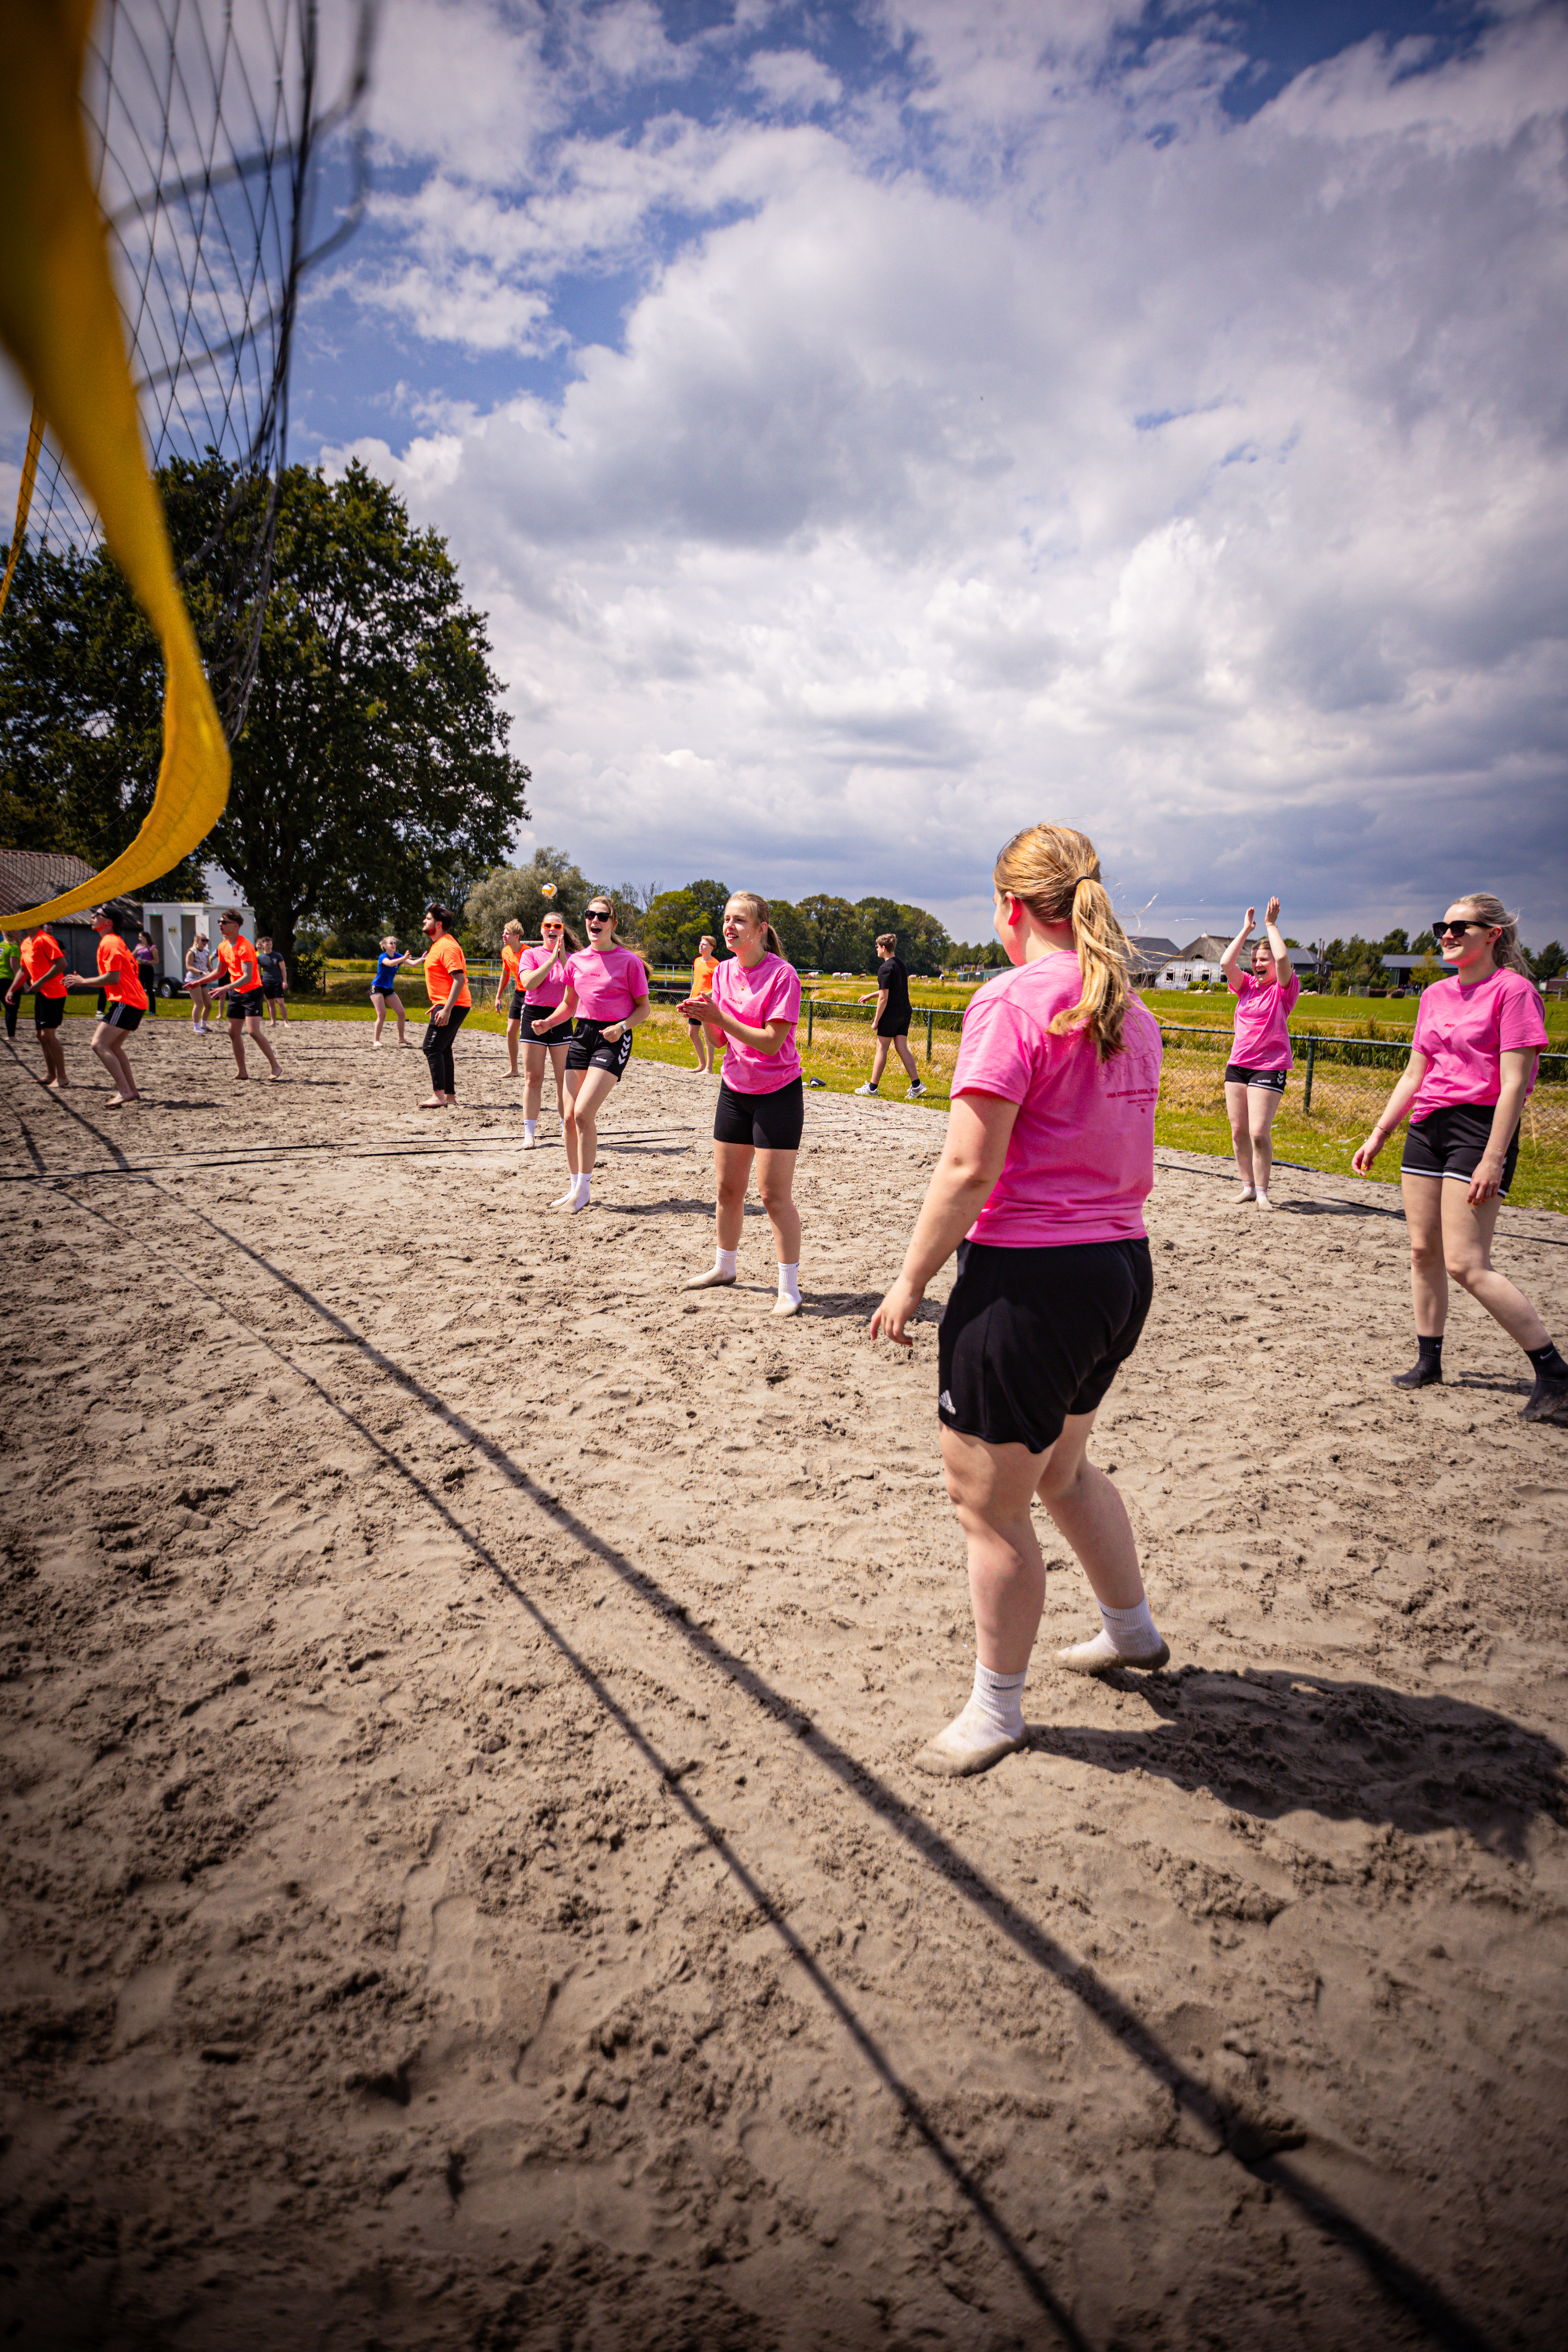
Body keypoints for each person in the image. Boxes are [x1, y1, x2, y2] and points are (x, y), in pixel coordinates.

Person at [869, 824, 1167, 1779]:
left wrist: (909, 1280)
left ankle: (995, 1710)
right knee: (1062, 1473)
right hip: (1118, 1268)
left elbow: (966, 1167)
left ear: (1007, 907)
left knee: (988, 1510)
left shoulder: (1009, 998)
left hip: (1030, 1282)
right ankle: (1128, 1631)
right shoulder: (1126, 1003)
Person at [1353, 893, 1566, 1423]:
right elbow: (1414, 1073)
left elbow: (1515, 1084)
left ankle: (1556, 1372)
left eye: (1459, 927)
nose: (1446, 935)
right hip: (1427, 1127)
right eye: (1441, 927)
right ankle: (1429, 1361)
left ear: (1493, 934)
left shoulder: (1513, 992)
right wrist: (1380, 1132)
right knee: (1423, 1250)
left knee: (1466, 1263)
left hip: (1480, 1127)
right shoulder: (1435, 995)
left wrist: (1494, 1158)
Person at [681, 894, 804, 1315]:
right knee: (727, 1189)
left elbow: (771, 1044)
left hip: (777, 1095)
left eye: (739, 920)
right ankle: (724, 1267)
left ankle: (789, 1287)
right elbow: (720, 1040)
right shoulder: (723, 972)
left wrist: (721, 1018)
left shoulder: (783, 976)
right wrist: (702, 1016)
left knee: (773, 1196)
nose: (729, 927)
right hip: (734, 1090)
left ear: (760, 928)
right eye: (726, 919)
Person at [532, 897, 650, 1209]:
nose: (594, 921)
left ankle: (584, 1189)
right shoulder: (576, 961)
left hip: (613, 1038)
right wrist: (549, 1021)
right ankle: (574, 1189)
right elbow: (569, 1005)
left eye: (602, 916)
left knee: (584, 1113)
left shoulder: (629, 962)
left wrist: (622, 1027)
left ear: (613, 923)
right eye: (589, 915)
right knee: (568, 1118)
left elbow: (644, 1008)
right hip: (581, 1035)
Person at [1220, 898, 1298, 1207]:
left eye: (1263, 960)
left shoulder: (1283, 990)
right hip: (1237, 1066)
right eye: (1255, 960)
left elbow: (1282, 959)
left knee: (1257, 1133)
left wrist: (1270, 926)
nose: (1259, 964)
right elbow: (1226, 963)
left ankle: (1263, 1193)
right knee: (1239, 1131)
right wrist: (1246, 930)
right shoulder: (1246, 986)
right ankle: (1248, 1187)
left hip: (1269, 1067)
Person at [64, 909, 148, 1107]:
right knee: (113, 1046)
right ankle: (132, 1091)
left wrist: (82, 982)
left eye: (97, 914)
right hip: (134, 1001)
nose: (93, 916)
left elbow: (113, 977)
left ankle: (125, 1091)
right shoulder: (114, 941)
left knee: (98, 1044)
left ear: (109, 922)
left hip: (127, 1001)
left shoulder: (110, 942)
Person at [515, 911, 576, 1148]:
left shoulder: (572, 959)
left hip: (561, 1017)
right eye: (548, 925)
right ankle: (529, 1132)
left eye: (557, 925)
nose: (552, 929)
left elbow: (577, 988)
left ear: (562, 930)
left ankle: (565, 1127)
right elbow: (528, 983)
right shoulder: (530, 954)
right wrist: (551, 960)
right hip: (534, 1015)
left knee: (564, 1079)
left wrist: (562, 959)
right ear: (541, 929)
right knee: (533, 1077)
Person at [212, 910, 283, 1081]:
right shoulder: (222, 946)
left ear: (235, 926)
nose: (220, 924)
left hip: (251, 992)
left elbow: (247, 976)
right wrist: (198, 982)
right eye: (219, 921)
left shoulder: (245, 946)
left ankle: (276, 1066)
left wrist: (224, 988)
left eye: (224, 921)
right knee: (233, 1032)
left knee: (253, 1031)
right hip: (235, 992)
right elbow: (219, 971)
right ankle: (242, 1072)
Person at [855, 933, 927, 1098]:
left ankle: (872, 1087)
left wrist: (876, 1021)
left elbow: (884, 998)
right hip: (904, 1012)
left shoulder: (885, 968)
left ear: (884, 948)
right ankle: (916, 1085)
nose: (876, 949)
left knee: (881, 1048)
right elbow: (890, 990)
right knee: (902, 1047)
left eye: (877, 947)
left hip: (891, 1014)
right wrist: (870, 996)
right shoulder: (900, 964)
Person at [418, 904, 470, 1108]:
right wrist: (440, 1004)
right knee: (443, 1048)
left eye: (428, 918)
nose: (424, 921)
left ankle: (438, 1096)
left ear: (438, 924)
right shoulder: (438, 944)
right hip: (449, 1003)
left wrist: (447, 1009)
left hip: (454, 1004)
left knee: (430, 1047)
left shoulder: (447, 945)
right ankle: (449, 1096)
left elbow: (459, 979)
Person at [5, 924, 69, 1088]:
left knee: (48, 1034)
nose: (20, 921)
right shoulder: (25, 942)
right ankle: (50, 1075)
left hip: (54, 992)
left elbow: (62, 964)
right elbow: (24, 970)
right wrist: (12, 989)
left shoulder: (45, 939)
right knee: (40, 1035)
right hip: (42, 993)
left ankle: (62, 1077)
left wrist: (41, 981)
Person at [495, 920, 526, 1077]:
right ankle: (514, 1069)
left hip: (532, 994)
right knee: (510, 1031)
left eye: (507, 933)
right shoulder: (505, 951)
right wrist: (498, 996)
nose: (504, 935)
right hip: (519, 993)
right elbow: (505, 974)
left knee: (530, 1034)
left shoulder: (528, 952)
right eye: (504, 932)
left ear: (517, 935)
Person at [371, 937, 412, 1047]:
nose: (394, 944)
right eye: (391, 943)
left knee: (401, 1013)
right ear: (384, 946)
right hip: (377, 987)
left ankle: (401, 1038)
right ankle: (376, 1040)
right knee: (382, 1014)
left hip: (388, 989)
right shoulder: (383, 956)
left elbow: (413, 964)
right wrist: (403, 958)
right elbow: (389, 963)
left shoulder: (398, 956)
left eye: (394, 943)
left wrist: (422, 959)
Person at [688, 934, 720, 1073]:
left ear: (712, 947)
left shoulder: (717, 965)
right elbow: (696, 981)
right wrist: (690, 998)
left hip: (706, 1003)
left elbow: (718, 988)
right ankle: (701, 1064)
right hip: (694, 1002)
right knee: (692, 1033)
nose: (701, 946)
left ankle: (709, 1068)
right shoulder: (696, 961)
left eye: (704, 944)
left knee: (708, 1036)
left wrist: (704, 997)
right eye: (700, 944)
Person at [184, 931, 214, 1033]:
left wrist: (214, 973)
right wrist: (201, 972)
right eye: (203, 940)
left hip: (202, 979)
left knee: (209, 1004)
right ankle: (196, 1026)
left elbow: (208, 966)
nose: (205, 942)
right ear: (197, 940)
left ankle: (203, 1024)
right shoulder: (191, 952)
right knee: (199, 1003)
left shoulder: (206, 952)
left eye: (207, 940)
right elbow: (189, 967)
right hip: (193, 980)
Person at [256, 935, 289, 1024]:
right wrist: (259, 983)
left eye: (270, 944)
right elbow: (258, 971)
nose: (269, 946)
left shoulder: (277, 956)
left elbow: (283, 969)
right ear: (263, 945)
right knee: (271, 1003)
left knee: (281, 1002)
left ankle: (285, 1022)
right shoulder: (260, 957)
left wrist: (284, 981)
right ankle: (273, 1022)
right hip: (266, 982)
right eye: (267, 944)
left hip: (277, 981)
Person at [134, 927, 159, 1018]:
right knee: (139, 990)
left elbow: (156, 961)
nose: (139, 939)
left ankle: (152, 1010)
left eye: (140, 937)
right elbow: (132, 956)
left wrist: (145, 961)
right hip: (139, 968)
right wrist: (136, 950)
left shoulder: (152, 947)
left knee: (149, 990)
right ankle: (140, 1009)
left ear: (145, 937)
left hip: (148, 969)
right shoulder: (138, 946)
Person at [0, 932, 20, 1041]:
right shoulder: (14, 947)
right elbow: (15, 967)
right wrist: (24, 983)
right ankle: (11, 1036)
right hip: (9, 980)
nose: (20, 933)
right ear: (12, 933)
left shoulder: (1, 945)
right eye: (18, 931)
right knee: (11, 1009)